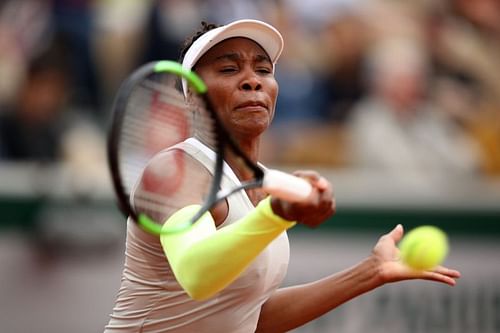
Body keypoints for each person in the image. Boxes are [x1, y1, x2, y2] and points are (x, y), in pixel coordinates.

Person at [104, 19, 460, 333]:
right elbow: (196, 274)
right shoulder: (173, 170)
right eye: (229, 70)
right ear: (193, 96)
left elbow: (250, 318)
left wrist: (370, 272)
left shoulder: (264, 183)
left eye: (263, 70)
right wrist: (275, 215)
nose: (251, 82)